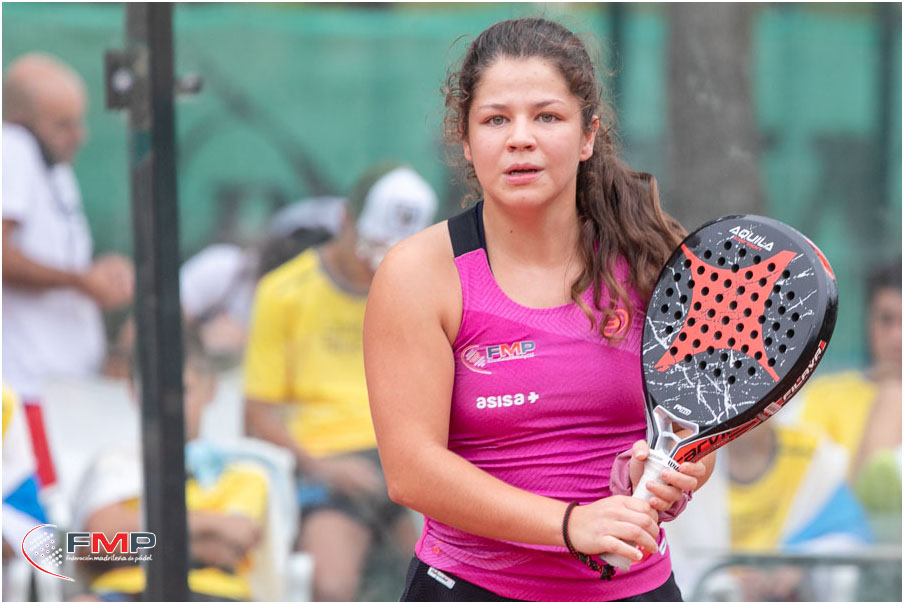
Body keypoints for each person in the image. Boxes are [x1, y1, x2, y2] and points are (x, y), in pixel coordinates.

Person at [364, 18, 715, 602]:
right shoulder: (417, 274)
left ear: (587, 136)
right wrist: (570, 525)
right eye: (495, 119)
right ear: (465, 139)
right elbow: (411, 472)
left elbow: (683, 438)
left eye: (547, 117)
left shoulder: (652, 262)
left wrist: (669, 474)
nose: (520, 138)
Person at [243, 162, 438, 601]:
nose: (374, 263)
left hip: (406, 459)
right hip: (323, 460)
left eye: (392, 251)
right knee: (332, 585)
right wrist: (322, 467)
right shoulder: (285, 292)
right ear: (345, 219)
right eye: (372, 246)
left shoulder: (418, 290)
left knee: (441, 578)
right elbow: (256, 415)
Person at [2, 53, 134, 490]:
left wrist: (96, 278)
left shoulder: (52, 168)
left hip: (63, 391)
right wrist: (82, 281)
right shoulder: (12, 148)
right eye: (63, 124)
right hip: (28, 390)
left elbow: (59, 264)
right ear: (20, 121)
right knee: (42, 521)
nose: (79, 135)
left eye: (78, 121)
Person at [72, 330, 269, 601]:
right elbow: (94, 545)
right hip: (127, 592)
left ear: (210, 389)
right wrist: (210, 524)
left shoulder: (244, 473)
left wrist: (134, 538)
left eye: (183, 391)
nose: (170, 406)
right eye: (156, 392)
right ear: (135, 393)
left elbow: (229, 548)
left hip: (211, 595)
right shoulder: (114, 466)